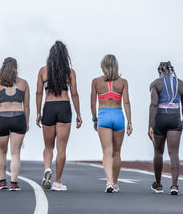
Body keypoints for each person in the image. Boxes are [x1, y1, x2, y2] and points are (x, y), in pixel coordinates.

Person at [36, 41, 82, 191]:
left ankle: (47, 168)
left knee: (48, 146)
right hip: (64, 106)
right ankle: (57, 181)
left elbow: (38, 93)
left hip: (48, 107)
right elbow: (74, 93)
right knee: (61, 149)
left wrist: (38, 113)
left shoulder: (43, 71)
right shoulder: (70, 72)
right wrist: (79, 114)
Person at [91, 54, 133, 193]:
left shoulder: (96, 82)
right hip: (118, 116)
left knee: (106, 152)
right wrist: (129, 121)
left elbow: (92, 102)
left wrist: (94, 119)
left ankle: (108, 181)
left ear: (103, 65)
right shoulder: (123, 82)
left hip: (104, 116)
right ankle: (115, 182)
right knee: (116, 152)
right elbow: (126, 102)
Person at [0, 57, 30, 191]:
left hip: (2, 119)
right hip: (19, 118)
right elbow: (27, 106)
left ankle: (2, 182)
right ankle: (14, 183)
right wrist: (27, 122)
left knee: (1, 151)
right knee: (15, 153)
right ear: (16, 68)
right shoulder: (24, 83)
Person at [148, 61, 183, 195]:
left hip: (160, 119)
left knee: (158, 152)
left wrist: (150, 125)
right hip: (174, 119)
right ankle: (174, 185)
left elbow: (154, 105)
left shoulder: (156, 84)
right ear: (171, 71)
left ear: (160, 72)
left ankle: (158, 185)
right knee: (174, 153)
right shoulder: (181, 84)